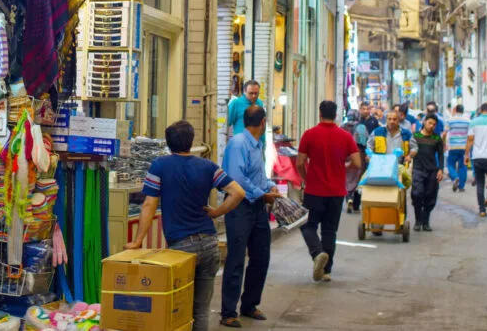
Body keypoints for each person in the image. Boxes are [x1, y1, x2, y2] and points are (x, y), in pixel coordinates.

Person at [126, 121, 246, 331]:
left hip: (181, 249)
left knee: (177, 310)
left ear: (169, 143)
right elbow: (238, 193)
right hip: (209, 244)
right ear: (191, 141)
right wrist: (216, 213)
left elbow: (149, 204)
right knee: (200, 310)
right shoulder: (208, 166)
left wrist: (137, 240)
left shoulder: (160, 165)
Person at [220, 106, 282, 328]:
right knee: (236, 259)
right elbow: (237, 178)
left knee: (261, 257)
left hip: (257, 208)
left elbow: (257, 177)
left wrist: (270, 187)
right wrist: (261, 193)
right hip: (239, 207)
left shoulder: (257, 145)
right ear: (263, 122)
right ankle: (228, 311)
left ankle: (249, 304)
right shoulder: (238, 143)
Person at [297, 101, 362, 282]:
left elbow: (300, 163)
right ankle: (326, 270)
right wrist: (344, 166)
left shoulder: (309, 135)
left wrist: (306, 178)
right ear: (336, 115)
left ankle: (317, 253)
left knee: (307, 225)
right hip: (336, 192)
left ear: (320, 114)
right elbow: (357, 163)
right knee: (329, 231)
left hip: (314, 190)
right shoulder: (346, 136)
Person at [368, 111, 413, 235]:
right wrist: (369, 155)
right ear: (386, 120)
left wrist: (409, 155)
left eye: (394, 119)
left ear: (399, 121)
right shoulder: (377, 132)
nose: (392, 121)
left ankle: (400, 222)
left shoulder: (406, 134)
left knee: (400, 195)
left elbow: (414, 147)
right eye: (389, 119)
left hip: (399, 168)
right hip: (381, 167)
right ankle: (377, 224)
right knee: (379, 195)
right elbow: (369, 145)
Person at [407, 114, 445, 231]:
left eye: (434, 124)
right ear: (424, 122)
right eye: (430, 123)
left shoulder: (436, 138)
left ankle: (426, 221)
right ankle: (418, 220)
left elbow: (440, 154)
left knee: (431, 196)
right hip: (418, 170)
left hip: (432, 171)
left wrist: (441, 169)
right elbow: (411, 151)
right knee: (417, 194)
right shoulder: (415, 136)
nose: (432, 126)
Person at [340, 109, 368, 213]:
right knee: (358, 178)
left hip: (344, 155)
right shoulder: (361, 127)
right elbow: (365, 142)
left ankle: (348, 198)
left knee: (347, 177)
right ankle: (356, 204)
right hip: (358, 154)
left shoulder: (342, 127)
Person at [444, 104, 470, 192]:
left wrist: (444, 143)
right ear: (463, 111)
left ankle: (455, 178)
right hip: (464, 147)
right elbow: (470, 135)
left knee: (450, 164)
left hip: (453, 147)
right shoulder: (468, 121)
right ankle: (461, 186)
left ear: (455, 110)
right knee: (463, 166)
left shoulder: (450, 120)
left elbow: (444, 133)